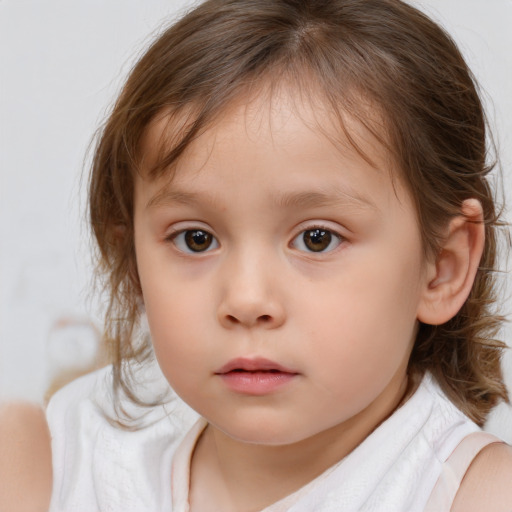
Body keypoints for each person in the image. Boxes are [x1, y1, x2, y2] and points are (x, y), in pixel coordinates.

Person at [47, 0, 512, 510]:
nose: (247, 300)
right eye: (195, 238)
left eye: (317, 238)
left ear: (442, 268)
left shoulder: (478, 495)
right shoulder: (67, 457)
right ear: (134, 264)